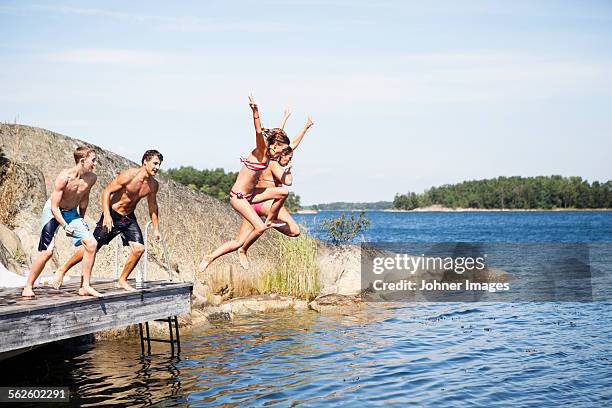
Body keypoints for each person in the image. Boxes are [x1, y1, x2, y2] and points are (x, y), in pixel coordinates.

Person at [199, 95, 292, 272]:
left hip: (253, 194)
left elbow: (277, 133)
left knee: (283, 192)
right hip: (239, 197)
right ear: (275, 145)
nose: (284, 152)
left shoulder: (272, 153)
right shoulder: (260, 151)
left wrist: (285, 118)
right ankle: (226, 253)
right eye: (283, 148)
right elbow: (259, 132)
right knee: (255, 230)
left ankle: (270, 220)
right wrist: (255, 111)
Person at [55, 150, 163, 292]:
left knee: (139, 249)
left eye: (159, 164)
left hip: (128, 218)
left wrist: (155, 228)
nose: (157, 167)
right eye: (155, 163)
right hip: (112, 215)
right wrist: (107, 215)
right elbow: (106, 192)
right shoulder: (129, 175)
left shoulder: (153, 185)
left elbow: (153, 207)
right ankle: (63, 269)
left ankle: (122, 280)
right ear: (145, 162)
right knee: (93, 246)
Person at [237, 110, 314, 269]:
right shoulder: (273, 162)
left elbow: (282, 140)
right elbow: (286, 143)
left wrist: (300, 126)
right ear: (278, 150)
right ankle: (268, 222)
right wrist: (303, 127)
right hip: (267, 201)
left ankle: (248, 244)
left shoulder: (268, 157)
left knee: (241, 240)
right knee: (294, 231)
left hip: (253, 201)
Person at [22, 146, 101, 298]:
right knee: (47, 252)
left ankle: (85, 286)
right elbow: (54, 206)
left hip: (72, 213)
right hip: (53, 212)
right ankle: (28, 285)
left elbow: (84, 199)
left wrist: (80, 221)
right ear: (82, 161)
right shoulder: (65, 177)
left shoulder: (91, 178)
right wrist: (65, 225)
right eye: (93, 160)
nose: (95, 164)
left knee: (91, 244)